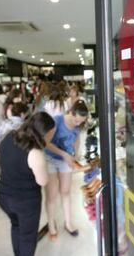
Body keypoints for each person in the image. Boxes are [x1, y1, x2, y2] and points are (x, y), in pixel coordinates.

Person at [0, 112, 55, 256]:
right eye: (50, 134)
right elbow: (42, 181)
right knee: (28, 237)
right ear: (43, 134)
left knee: (16, 226)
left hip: (3, 195)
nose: (51, 137)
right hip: (25, 202)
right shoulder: (35, 153)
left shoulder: (9, 136)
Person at [45, 100, 89, 240]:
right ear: (71, 112)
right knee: (51, 195)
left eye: (81, 121)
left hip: (66, 160)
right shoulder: (56, 121)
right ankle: (51, 224)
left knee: (65, 192)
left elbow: (76, 139)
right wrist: (64, 154)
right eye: (76, 120)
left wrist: (75, 153)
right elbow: (46, 143)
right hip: (50, 159)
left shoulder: (78, 125)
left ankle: (68, 223)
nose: (78, 123)